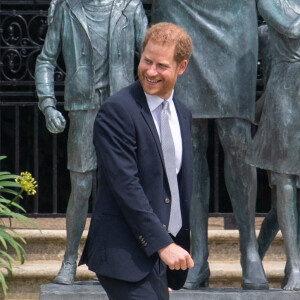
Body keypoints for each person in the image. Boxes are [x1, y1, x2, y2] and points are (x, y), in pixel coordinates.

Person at [151, 0, 268, 290]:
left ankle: (249, 249)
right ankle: (197, 255)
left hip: (234, 17)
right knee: (188, 140)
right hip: (180, 11)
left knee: (237, 137)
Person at [35, 0, 147, 284]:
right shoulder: (67, 8)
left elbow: (150, 56)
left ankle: (112, 259)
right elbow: (46, 60)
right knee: (82, 186)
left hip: (121, 111)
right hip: (84, 109)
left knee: (120, 186)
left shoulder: (129, 6)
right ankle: (70, 259)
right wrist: (48, 105)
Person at [79, 22, 194, 299]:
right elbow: (125, 186)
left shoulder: (182, 112)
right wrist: (162, 245)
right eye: (146, 61)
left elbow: (173, 187)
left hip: (156, 258)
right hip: (125, 254)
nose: (151, 71)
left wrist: (169, 246)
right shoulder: (117, 111)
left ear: (181, 67)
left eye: (162, 66)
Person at [246, 0, 300, 291]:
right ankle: (294, 265)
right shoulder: (270, 1)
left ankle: (255, 250)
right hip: (285, 94)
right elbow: (291, 28)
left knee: (288, 196)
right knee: (284, 182)